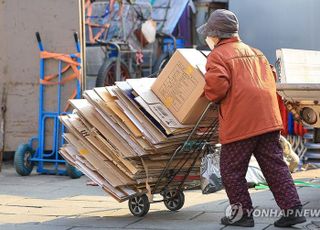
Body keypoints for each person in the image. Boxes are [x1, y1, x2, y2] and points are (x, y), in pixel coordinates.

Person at [197, 9, 306, 228]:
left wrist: (205, 91)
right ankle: (293, 210)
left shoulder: (218, 55)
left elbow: (217, 88)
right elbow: (271, 77)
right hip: (268, 121)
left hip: (241, 124)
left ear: (216, 35)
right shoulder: (256, 52)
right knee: (275, 167)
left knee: (231, 169)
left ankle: (242, 214)